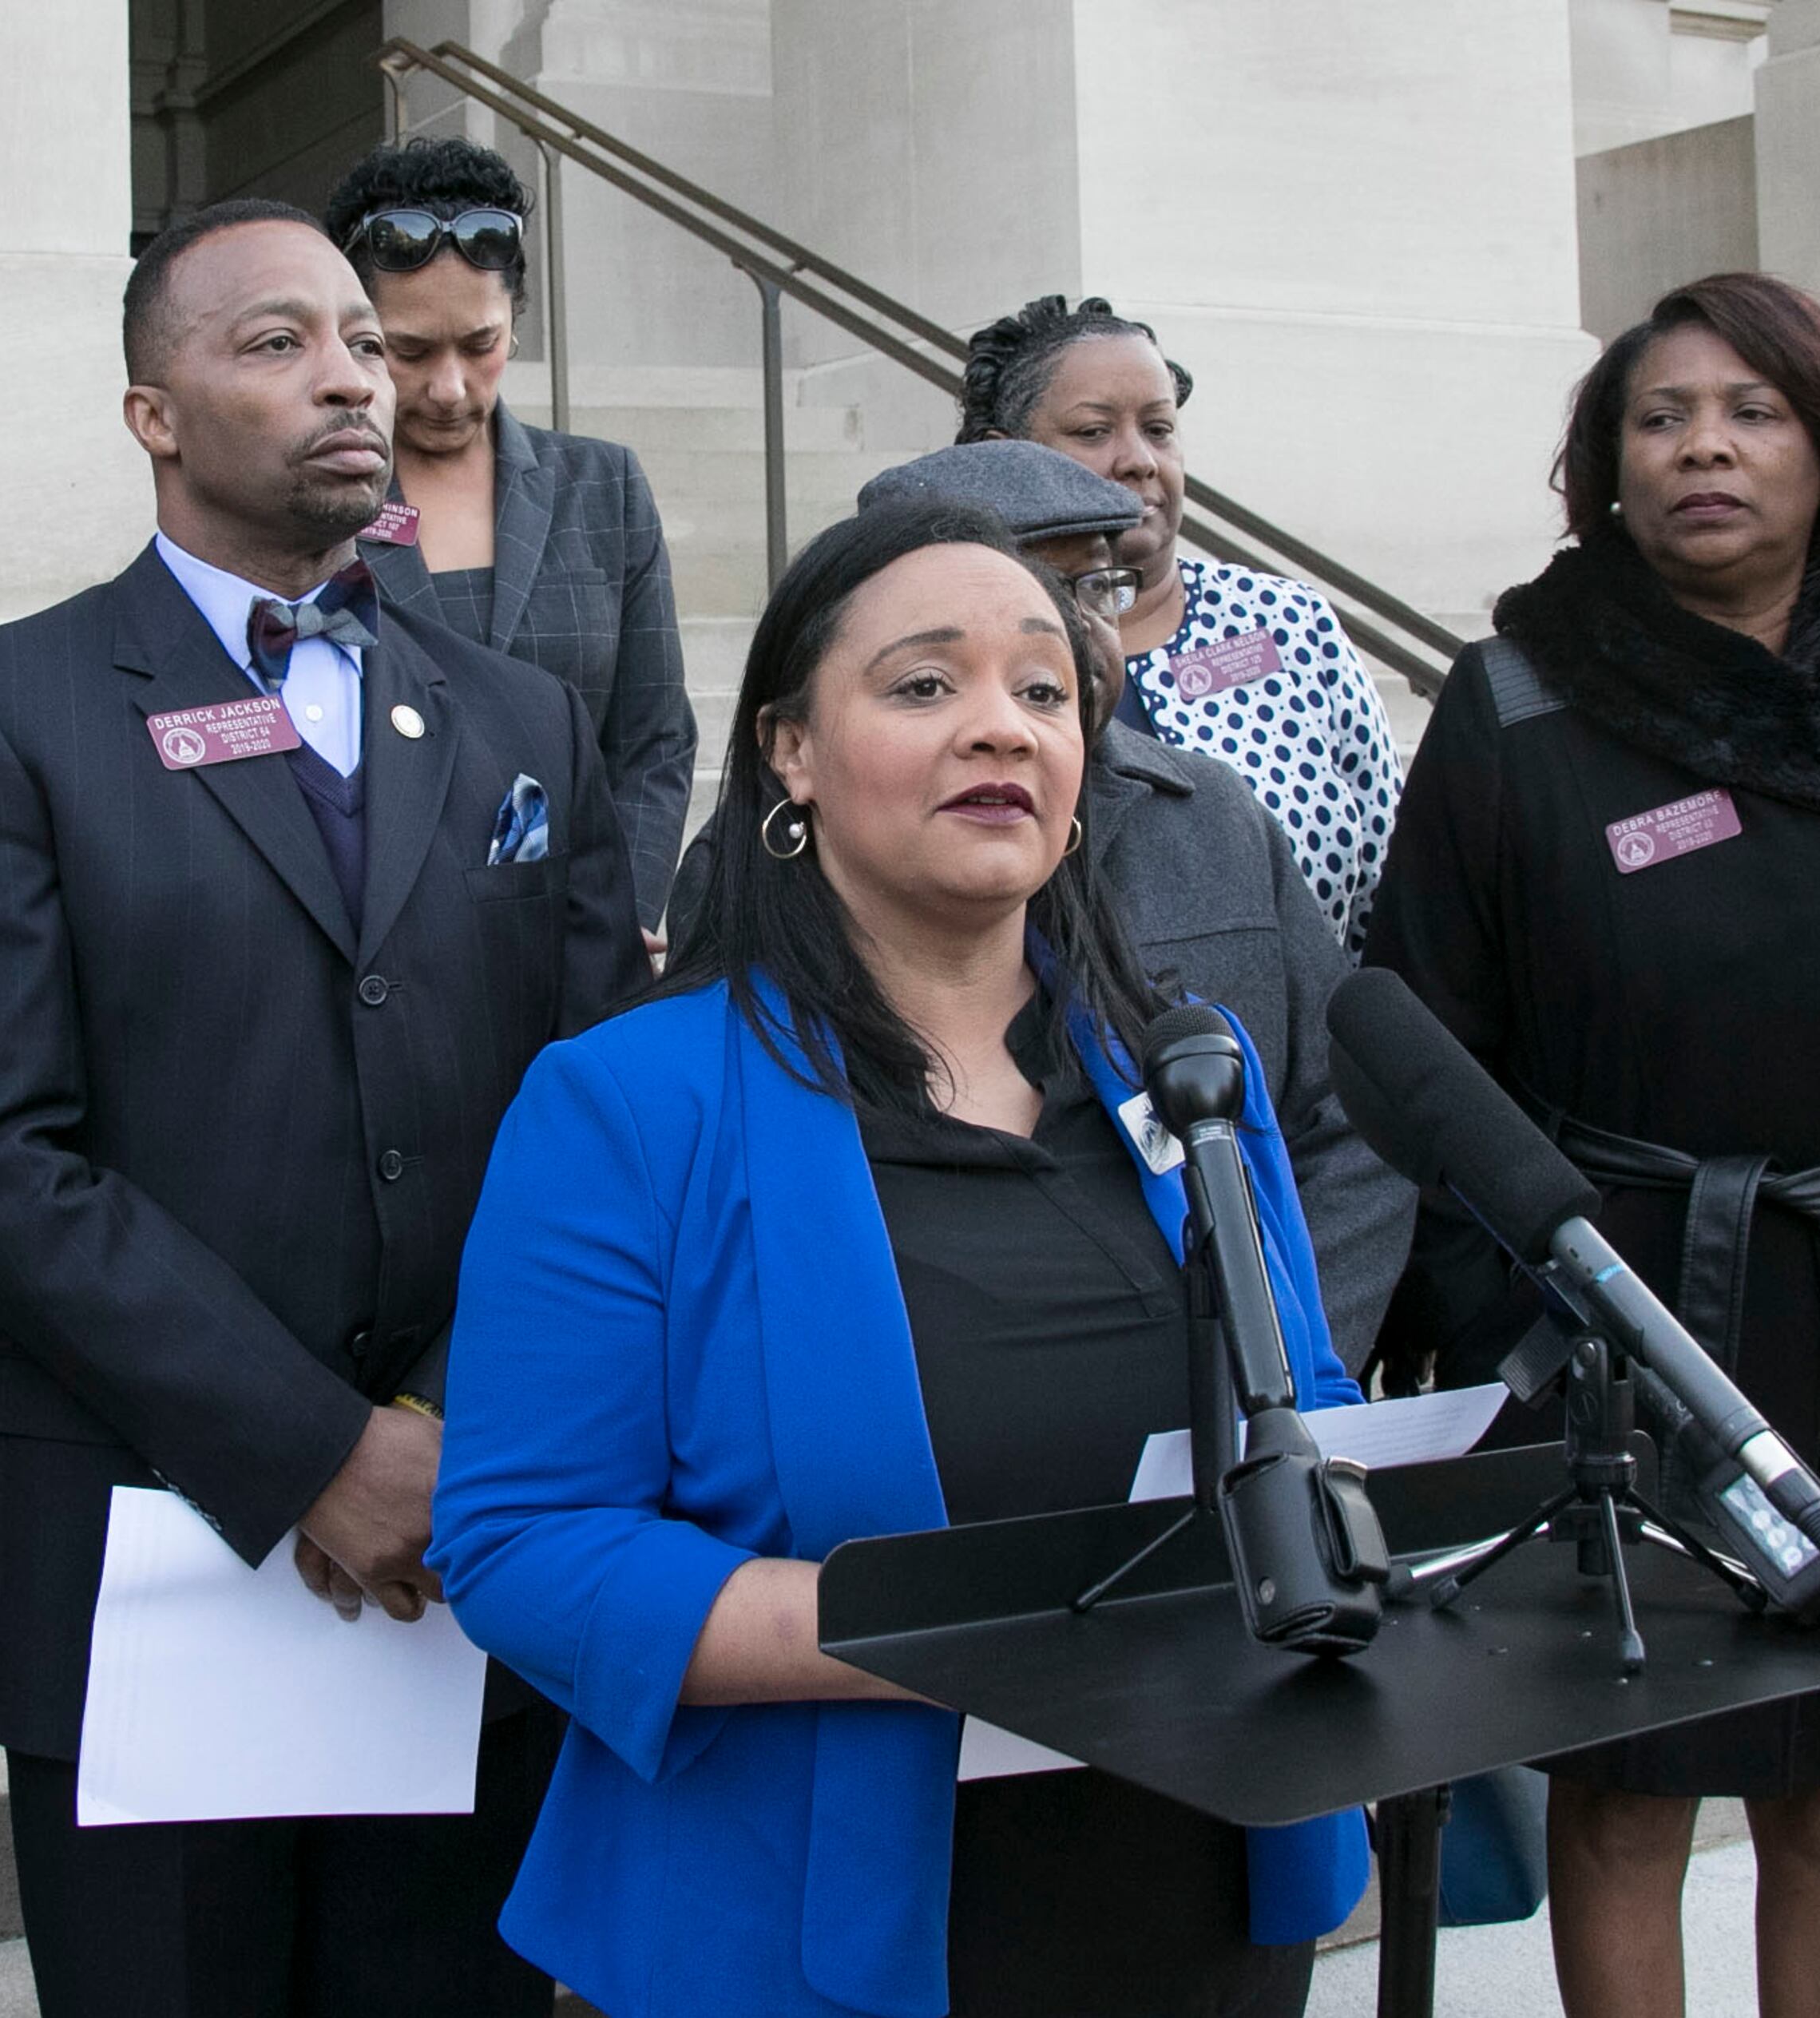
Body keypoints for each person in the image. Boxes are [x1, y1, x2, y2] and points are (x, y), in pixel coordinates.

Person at [430, 500, 1367, 2018]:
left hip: (1199, 1888)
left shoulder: (1189, 1075)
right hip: (804, 1922)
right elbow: (527, 1544)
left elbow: (1308, 1400)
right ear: (791, 751)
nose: (1002, 726)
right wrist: (980, 1636)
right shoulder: (628, 1104)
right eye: (926, 684)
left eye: (1045, 689)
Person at [0, 197, 648, 2017]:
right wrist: (313, 1450)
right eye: (278, 344)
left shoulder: (523, 721)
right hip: (143, 1540)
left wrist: (441, 1421)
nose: (351, 379)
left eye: (362, 342)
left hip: (466, 1542)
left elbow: (594, 1116)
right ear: (153, 412)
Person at [1366, 271, 1820, 2018]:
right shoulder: (1516, 700)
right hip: (1616, 1320)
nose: (1704, 449)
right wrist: (1502, 1316)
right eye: (1660, 419)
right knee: (1625, 1788)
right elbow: (1423, 1047)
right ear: (1609, 466)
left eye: (1752, 412)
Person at [669, 438, 1416, 1358]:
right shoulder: (746, 878)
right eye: (931, 680)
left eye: (1096, 587)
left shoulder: (1213, 815)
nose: (1076, 626)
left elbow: (1346, 1121)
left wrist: (1275, 1360)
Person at [323, 137, 696, 922]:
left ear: (514, 323)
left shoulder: (604, 486)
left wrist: (621, 920)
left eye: (480, 345)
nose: (450, 387)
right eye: (409, 351)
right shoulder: (318, 501)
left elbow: (654, 739)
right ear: (356, 339)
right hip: (384, 936)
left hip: (577, 927)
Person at [962, 294, 1402, 946]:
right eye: (1094, 431)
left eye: (1159, 428)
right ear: (1004, 457)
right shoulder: (965, 648)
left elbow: (1391, 894)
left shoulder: (1289, 622)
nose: (1140, 459)